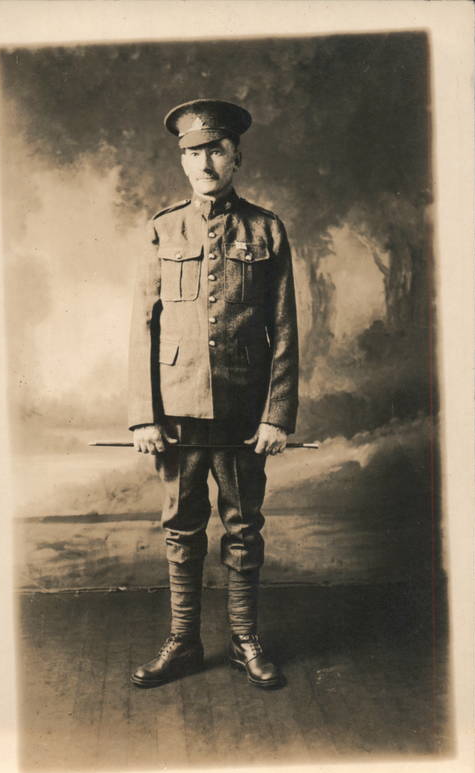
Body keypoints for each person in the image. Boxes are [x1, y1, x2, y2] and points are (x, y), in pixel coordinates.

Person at [128, 99, 299, 689]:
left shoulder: (267, 229)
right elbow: (143, 328)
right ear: (182, 161)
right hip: (176, 413)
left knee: (244, 528)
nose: (204, 162)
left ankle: (244, 640)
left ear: (236, 158)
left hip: (244, 412)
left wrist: (277, 415)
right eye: (193, 153)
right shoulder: (161, 227)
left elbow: (285, 330)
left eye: (215, 151)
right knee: (180, 528)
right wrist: (141, 418)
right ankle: (182, 641)